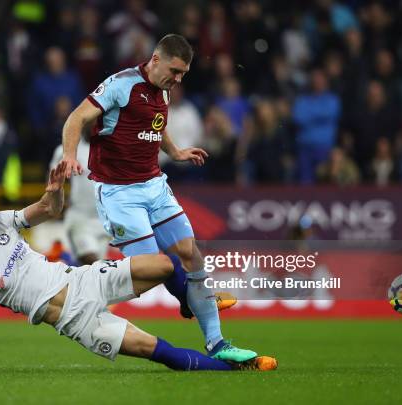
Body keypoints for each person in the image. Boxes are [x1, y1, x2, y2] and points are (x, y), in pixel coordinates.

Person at [0, 179, 277, 373]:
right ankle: (236, 369)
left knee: (166, 264)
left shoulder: (0, 222)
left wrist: (54, 191)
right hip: (74, 320)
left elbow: (46, 209)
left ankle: (188, 306)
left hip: (83, 278)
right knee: (155, 350)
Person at [58, 34, 256, 362]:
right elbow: (76, 118)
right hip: (119, 192)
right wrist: (68, 156)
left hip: (154, 185)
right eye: (175, 71)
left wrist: (175, 150)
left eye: (183, 74)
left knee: (191, 255)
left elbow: (154, 123)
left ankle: (218, 344)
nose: (178, 80)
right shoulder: (121, 84)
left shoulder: (163, 89)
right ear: (155, 59)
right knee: (156, 269)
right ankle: (84, 290)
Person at [49, 134, 110, 265]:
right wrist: (58, 204)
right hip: (80, 217)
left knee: (95, 271)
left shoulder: (111, 148)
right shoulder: (66, 151)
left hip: (104, 219)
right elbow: (52, 180)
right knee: (91, 261)